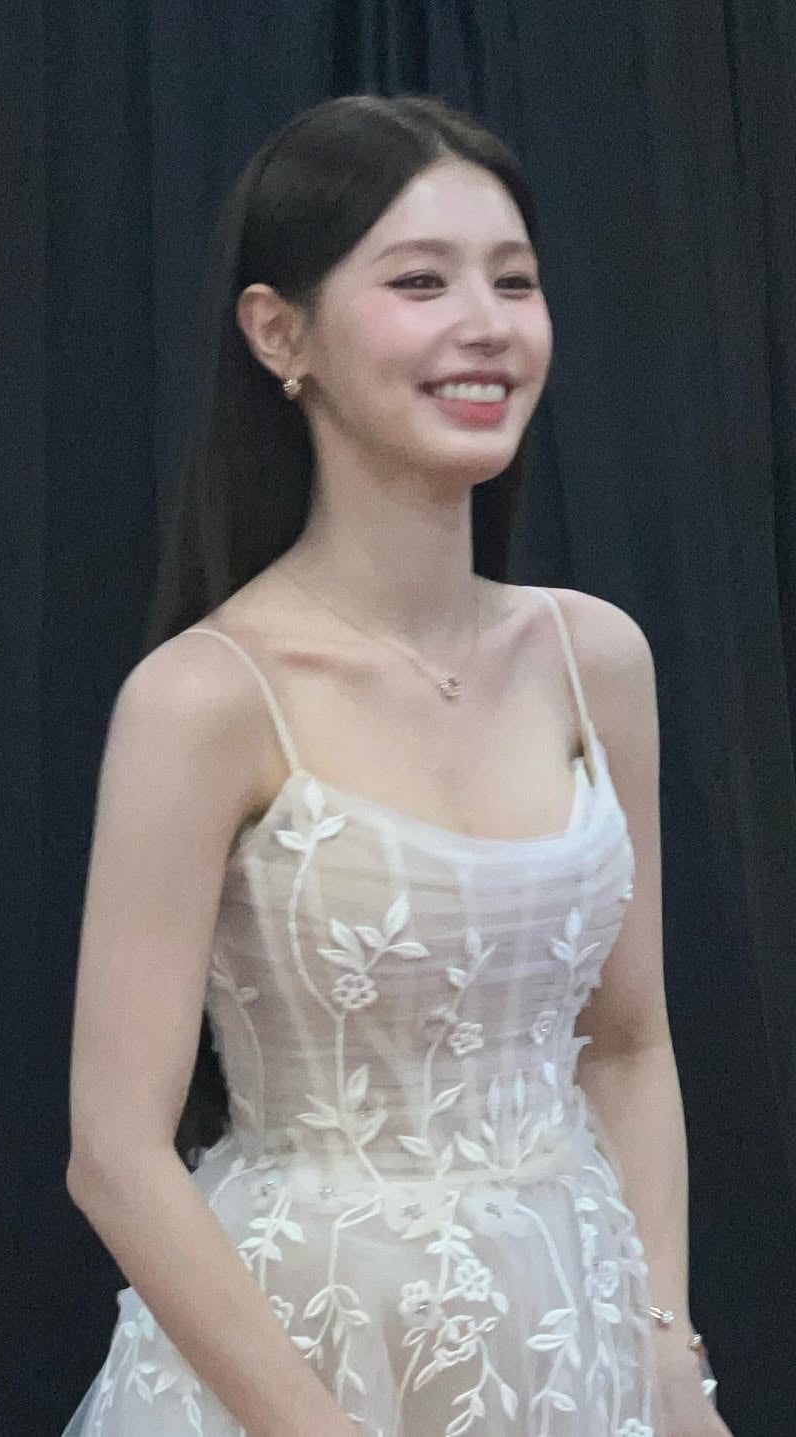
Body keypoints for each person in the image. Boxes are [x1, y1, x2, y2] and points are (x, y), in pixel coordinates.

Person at [62, 94, 728, 1437]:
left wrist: (668, 1356)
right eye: (421, 282)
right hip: (299, 1352)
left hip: (570, 1339)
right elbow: (116, 1154)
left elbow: (629, 1039)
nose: (486, 325)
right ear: (280, 333)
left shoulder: (596, 659)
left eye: (515, 282)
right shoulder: (206, 698)